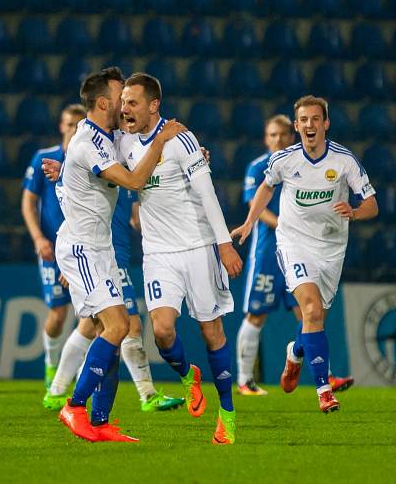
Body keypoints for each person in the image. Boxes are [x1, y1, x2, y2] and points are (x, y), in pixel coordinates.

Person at [55, 67, 185, 443]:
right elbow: (132, 180)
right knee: (117, 327)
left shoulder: (104, 137)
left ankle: (100, 421)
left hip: (100, 248)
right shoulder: (87, 142)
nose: (127, 104)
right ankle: (74, 406)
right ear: (102, 103)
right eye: (121, 98)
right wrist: (161, 142)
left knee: (111, 331)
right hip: (82, 247)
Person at [232, 95, 377, 413]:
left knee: (314, 318)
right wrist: (248, 223)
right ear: (297, 126)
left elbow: (372, 204)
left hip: (330, 249)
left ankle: (295, 352)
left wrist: (353, 211)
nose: (309, 125)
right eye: (304, 120)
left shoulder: (344, 161)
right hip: (293, 244)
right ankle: (324, 391)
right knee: (309, 310)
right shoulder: (283, 160)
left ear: (325, 124)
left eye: (316, 119)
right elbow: (265, 188)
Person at [118, 73, 242, 444]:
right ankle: (189, 377)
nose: (125, 109)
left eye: (133, 103)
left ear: (153, 105)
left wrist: (223, 245)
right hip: (158, 253)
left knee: (211, 331)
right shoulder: (122, 143)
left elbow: (207, 193)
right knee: (162, 330)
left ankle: (227, 414)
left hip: (199, 246)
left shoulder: (182, 140)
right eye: (123, 102)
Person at [235, 115, 298, 395]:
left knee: (308, 313)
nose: (278, 140)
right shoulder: (259, 167)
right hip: (267, 254)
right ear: (266, 138)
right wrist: (286, 225)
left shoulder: (300, 166)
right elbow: (255, 206)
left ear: (292, 137)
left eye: (283, 135)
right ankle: (245, 380)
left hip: (297, 251)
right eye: (273, 135)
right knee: (256, 314)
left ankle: (328, 375)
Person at [21, 105, 81, 391]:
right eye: (69, 124)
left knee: (88, 315)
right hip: (52, 250)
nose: (72, 129)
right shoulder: (45, 158)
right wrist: (38, 239)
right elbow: (28, 202)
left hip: (83, 250)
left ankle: (81, 376)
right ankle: (51, 363)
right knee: (58, 314)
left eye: (78, 125)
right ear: (61, 126)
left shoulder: (88, 160)